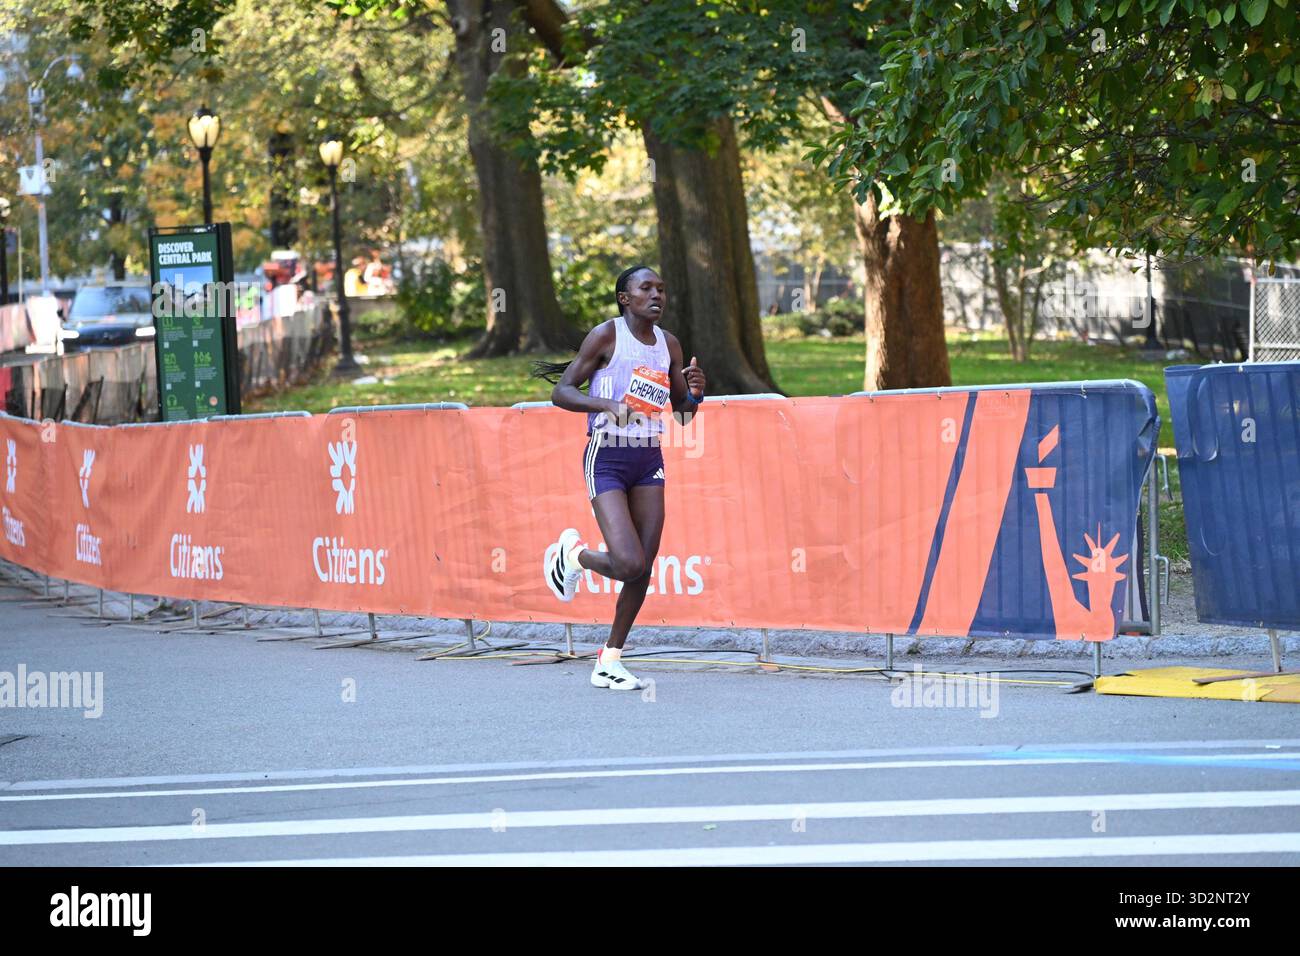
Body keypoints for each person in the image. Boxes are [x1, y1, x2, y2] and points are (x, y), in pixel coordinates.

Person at [533, 265, 706, 691]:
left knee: (642, 566)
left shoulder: (669, 345)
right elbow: (562, 391)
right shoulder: (606, 336)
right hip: (607, 456)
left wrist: (697, 393)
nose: (657, 295)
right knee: (627, 561)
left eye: (661, 289)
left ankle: (610, 659)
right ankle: (573, 556)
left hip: (647, 457)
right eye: (646, 288)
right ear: (624, 298)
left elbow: (683, 415)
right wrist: (607, 405)